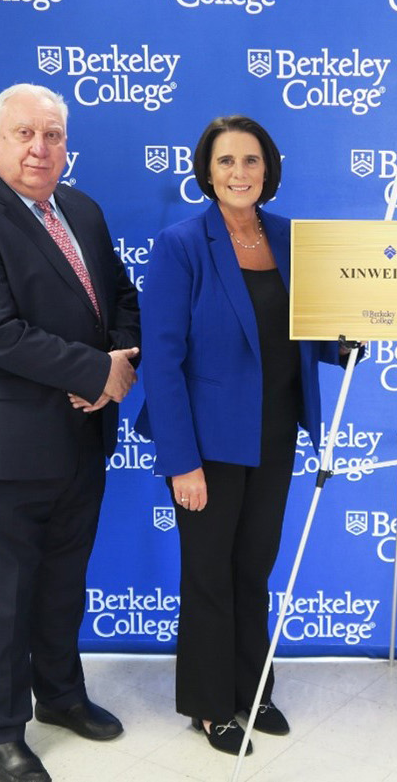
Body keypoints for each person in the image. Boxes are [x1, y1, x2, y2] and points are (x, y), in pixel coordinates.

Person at [0, 83, 138, 782]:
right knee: (0, 596)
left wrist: (123, 358)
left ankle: (62, 697)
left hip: (79, 441)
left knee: (61, 585)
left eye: (52, 136)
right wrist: (92, 372)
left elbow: (122, 295)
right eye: (24, 134)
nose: (39, 149)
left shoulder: (81, 208)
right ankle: (0, 730)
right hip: (0, 449)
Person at [137, 115, 335, 756]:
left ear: (268, 169)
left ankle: (253, 691)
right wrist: (181, 462)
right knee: (208, 576)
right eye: (226, 162)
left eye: (251, 161)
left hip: (274, 436)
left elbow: (308, 327)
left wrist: (352, 335)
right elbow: (163, 362)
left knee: (253, 572)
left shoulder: (291, 238)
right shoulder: (182, 244)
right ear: (207, 171)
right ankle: (209, 705)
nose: (240, 173)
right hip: (206, 445)